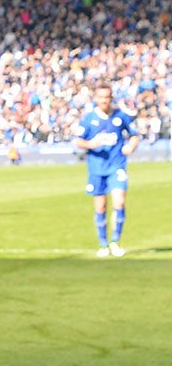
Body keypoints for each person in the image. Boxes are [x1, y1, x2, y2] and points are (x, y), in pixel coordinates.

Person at [76, 84, 138, 257]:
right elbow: (78, 140)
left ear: (111, 98)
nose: (104, 100)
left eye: (107, 97)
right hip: (97, 168)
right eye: (101, 97)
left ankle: (115, 242)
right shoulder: (88, 119)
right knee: (101, 206)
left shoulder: (121, 116)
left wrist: (131, 146)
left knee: (119, 201)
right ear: (96, 99)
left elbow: (134, 135)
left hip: (117, 165)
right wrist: (90, 144)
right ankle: (103, 244)